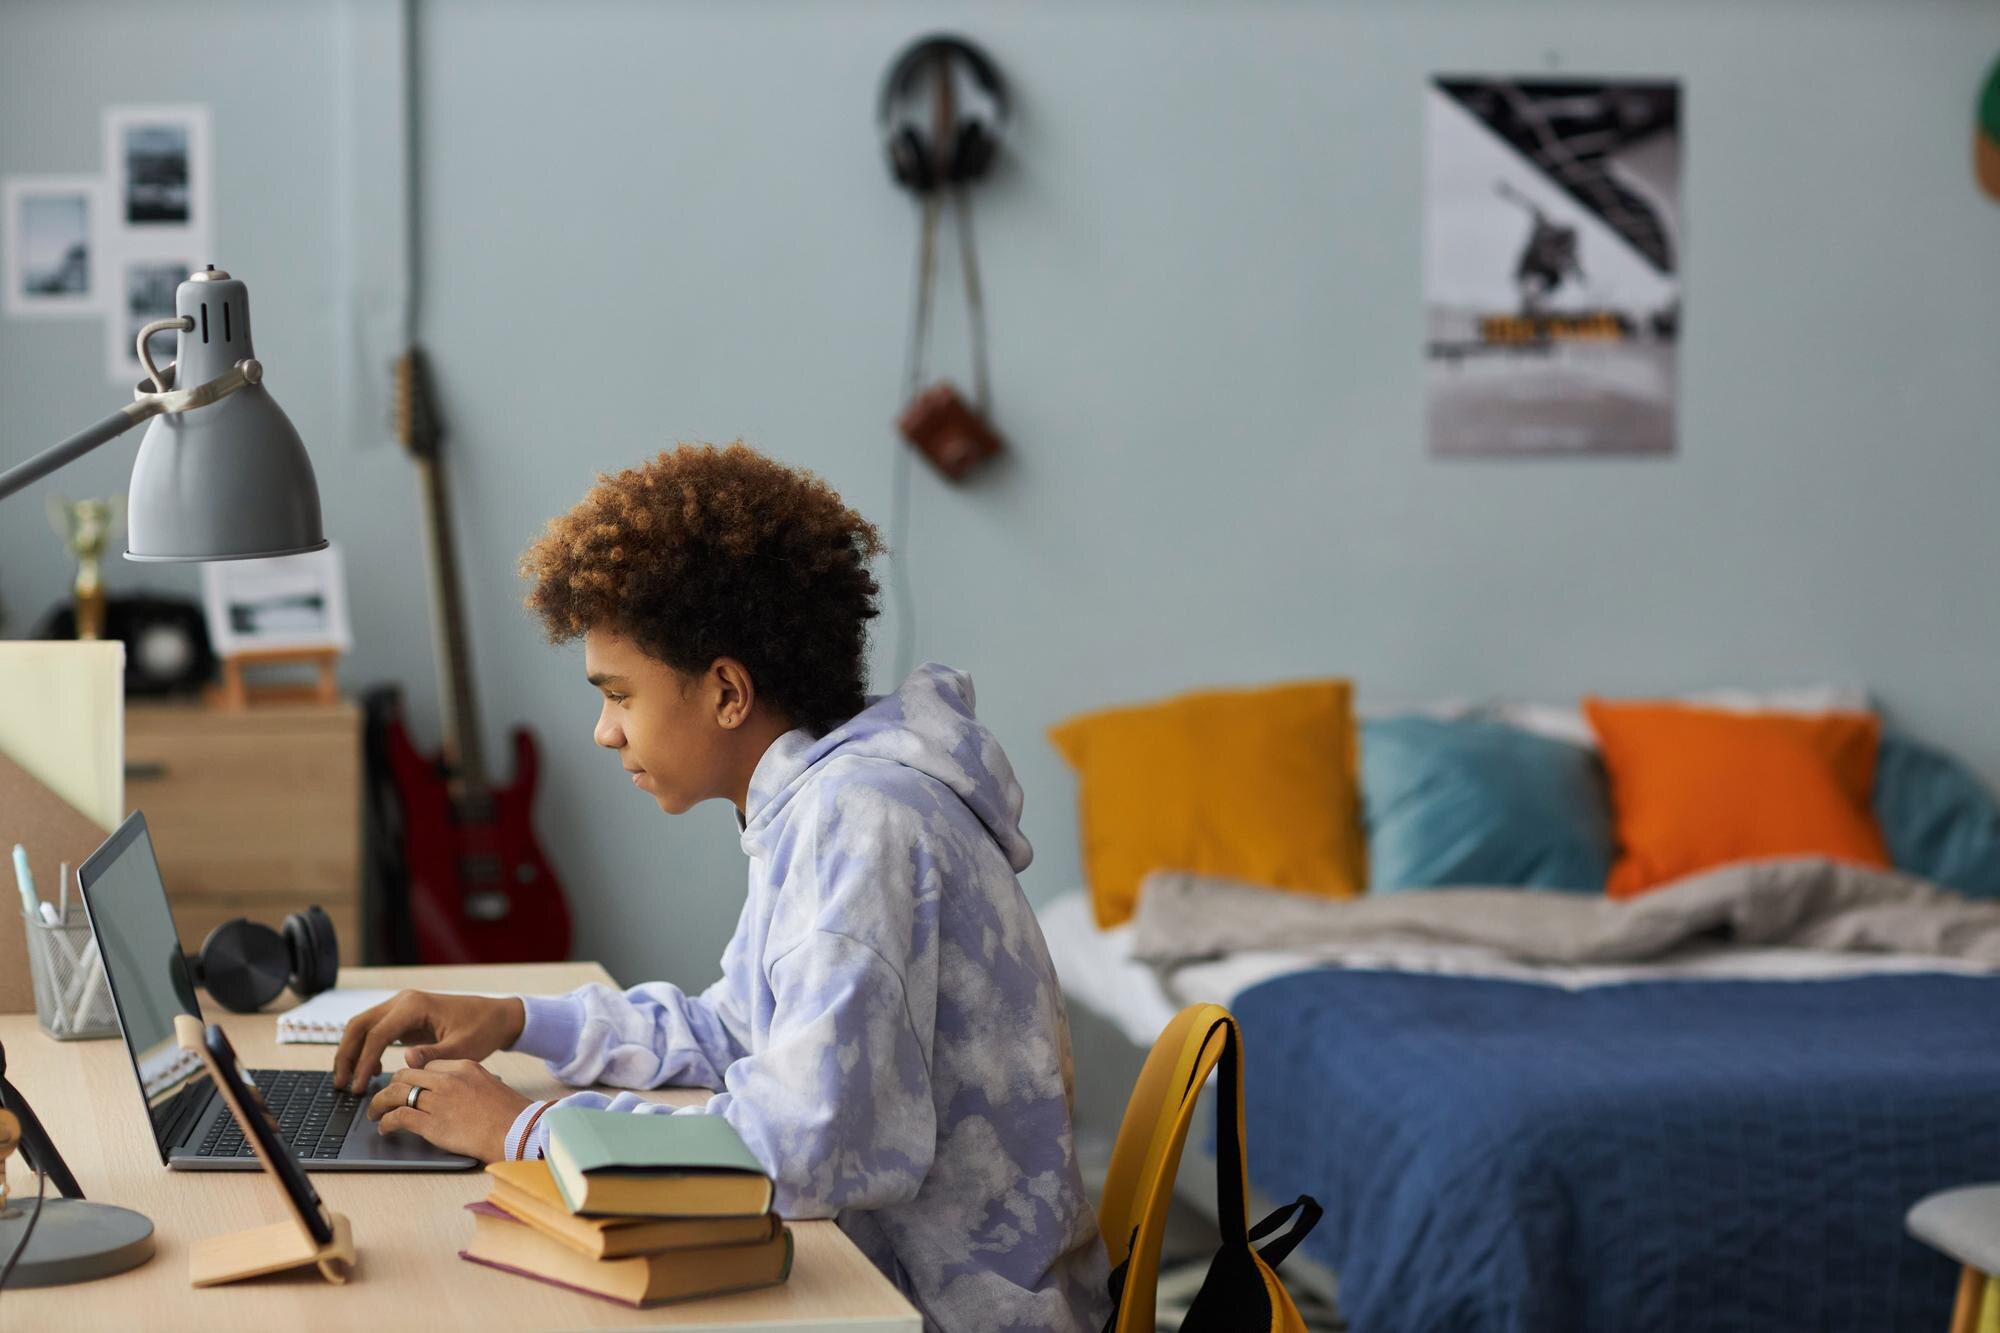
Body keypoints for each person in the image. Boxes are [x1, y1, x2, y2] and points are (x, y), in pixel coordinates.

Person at [333, 442, 1109, 1330]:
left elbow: (804, 1147)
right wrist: (516, 1018)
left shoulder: (862, 828)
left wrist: (527, 1132)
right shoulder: (823, 801)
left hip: (939, 1313)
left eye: (619, 695)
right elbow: (739, 1028)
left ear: (728, 691)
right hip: (880, 1283)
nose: (603, 731)